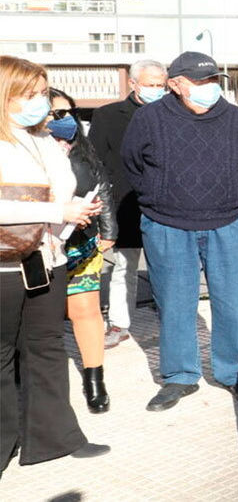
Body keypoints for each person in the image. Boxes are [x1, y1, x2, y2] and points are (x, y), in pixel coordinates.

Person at [121, 52, 238, 412]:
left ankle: (236, 374)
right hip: (167, 224)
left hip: (227, 222)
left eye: (213, 80)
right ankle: (180, 377)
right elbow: (132, 164)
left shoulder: (237, 119)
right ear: (176, 84)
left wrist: (222, 193)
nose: (209, 87)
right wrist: (160, 196)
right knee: (175, 303)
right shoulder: (149, 118)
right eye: (200, 82)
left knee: (232, 302)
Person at [0, 56, 108, 474]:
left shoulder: (44, 140)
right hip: (5, 266)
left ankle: (55, 438)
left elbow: (59, 195)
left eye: (42, 93)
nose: (39, 102)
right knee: (2, 354)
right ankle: (4, 442)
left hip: (47, 258)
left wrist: (74, 209)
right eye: (29, 94)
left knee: (46, 347)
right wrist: (57, 209)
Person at [90, 58, 167, 349]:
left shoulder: (173, 113)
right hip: (125, 204)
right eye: (151, 85)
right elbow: (95, 162)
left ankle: (169, 317)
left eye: (161, 85)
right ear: (133, 84)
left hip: (167, 206)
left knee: (168, 267)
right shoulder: (108, 116)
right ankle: (120, 324)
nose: (157, 90)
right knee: (124, 267)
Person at [49, 88, 118, 413]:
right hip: (38, 246)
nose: (60, 120)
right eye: (53, 113)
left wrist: (108, 230)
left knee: (86, 311)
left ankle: (95, 380)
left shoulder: (81, 146)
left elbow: (101, 184)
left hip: (82, 243)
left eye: (66, 113)